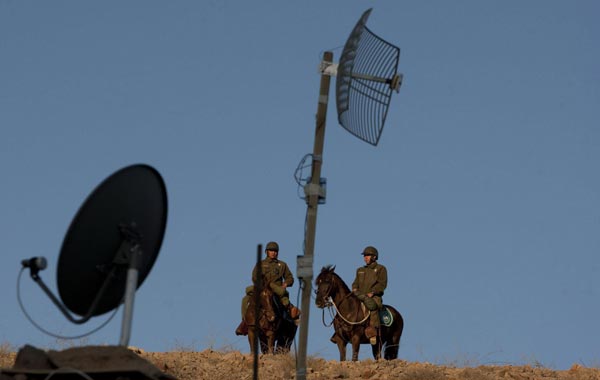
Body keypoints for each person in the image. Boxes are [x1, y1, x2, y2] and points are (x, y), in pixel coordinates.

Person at [235, 241, 301, 336]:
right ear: (266, 252)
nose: (274, 253)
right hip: (262, 288)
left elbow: (290, 278)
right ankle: (245, 323)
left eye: (275, 251)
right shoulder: (260, 264)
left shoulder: (282, 265)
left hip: (277, 290)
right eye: (271, 250)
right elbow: (254, 277)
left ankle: (290, 315)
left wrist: (286, 283)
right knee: (245, 299)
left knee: (284, 299)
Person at [352, 246, 387, 345]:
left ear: (374, 257)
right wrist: (354, 289)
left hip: (374, 297)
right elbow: (355, 283)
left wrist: (373, 292)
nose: (365, 258)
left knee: (372, 306)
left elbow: (382, 284)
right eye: (364, 256)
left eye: (368, 255)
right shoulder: (360, 270)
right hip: (359, 296)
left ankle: (372, 333)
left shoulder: (381, 269)